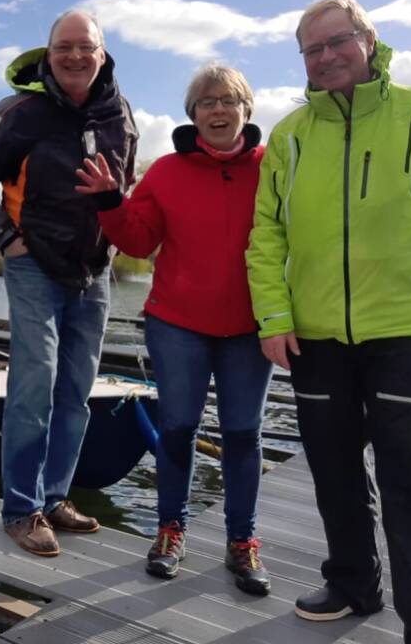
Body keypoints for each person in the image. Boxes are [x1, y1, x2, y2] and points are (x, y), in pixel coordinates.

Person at [246, 0, 411, 641]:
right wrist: (273, 316)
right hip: (314, 336)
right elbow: (267, 234)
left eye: (338, 41)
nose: (326, 56)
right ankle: (353, 582)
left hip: (408, 332)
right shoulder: (289, 136)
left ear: (368, 40)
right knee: (332, 467)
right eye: (312, 49)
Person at [75, 64, 273, 595]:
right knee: (179, 425)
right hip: (178, 322)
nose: (218, 110)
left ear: (246, 110)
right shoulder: (165, 171)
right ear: (193, 114)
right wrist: (110, 202)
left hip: (250, 325)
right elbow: (139, 241)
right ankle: (170, 531)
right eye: (207, 102)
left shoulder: (273, 166)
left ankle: (242, 542)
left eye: (228, 100)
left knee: (243, 432)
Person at [0, 10, 138, 556]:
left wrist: (114, 233)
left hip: (94, 270)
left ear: (102, 54)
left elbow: (124, 187)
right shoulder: (20, 112)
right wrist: (7, 240)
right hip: (33, 263)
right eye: (64, 47)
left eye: (86, 47)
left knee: (77, 391)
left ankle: (55, 497)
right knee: (35, 384)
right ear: (48, 53)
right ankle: (21, 508)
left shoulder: (120, 112)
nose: (75, 56)